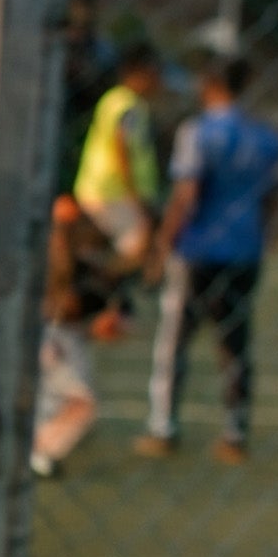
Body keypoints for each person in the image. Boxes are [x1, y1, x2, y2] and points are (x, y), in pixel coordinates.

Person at [140, 51, 278, 463]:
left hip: (198, 249)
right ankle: (234, 433)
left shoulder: (198, 133)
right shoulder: (266, 137)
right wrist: (262, 234)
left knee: (175, 340)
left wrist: (164, 242)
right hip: (244, 251)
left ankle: (162, 426)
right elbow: (273, 194)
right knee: (235, 342)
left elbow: (187, 193)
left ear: (210, 86)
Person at [70, 40, 164, 335]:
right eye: (154, 74)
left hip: (106, 189)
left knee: (125, 247)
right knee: (137, 245)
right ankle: (93, 299)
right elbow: (122, 148)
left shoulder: (123, 101)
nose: (157, 82)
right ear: (138, 73)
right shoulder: (126, 104)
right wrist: (135, 196)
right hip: (111, 191)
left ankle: (112, 304)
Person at [32, 192, 105, 478]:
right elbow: (65, 300)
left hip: (61, 335)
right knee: (81, 404)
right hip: (55, 335)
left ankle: (38, 450)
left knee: (52, 401)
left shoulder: (79, 251)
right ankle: (39, 451)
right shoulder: (55, 248)